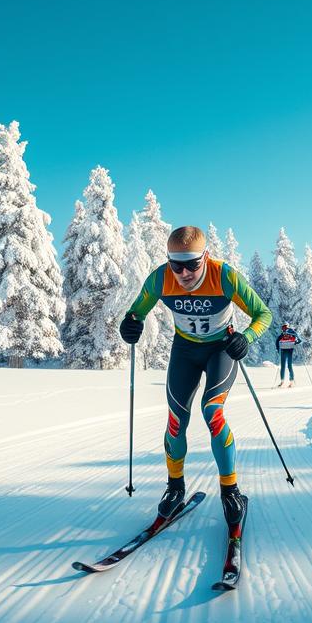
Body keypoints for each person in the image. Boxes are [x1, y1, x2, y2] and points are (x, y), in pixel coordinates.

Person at [118, 225, 273, 529]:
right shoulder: (161, 278)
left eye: (192, 264)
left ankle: (231, 492)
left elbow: (263, 315)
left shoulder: (224, 276)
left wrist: (247, 338)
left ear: (206, 257)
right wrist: (129, 325)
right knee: (176, 419)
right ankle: (175, 489)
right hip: (185, 351)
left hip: (221, 350)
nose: (185, 273)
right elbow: (135, 313)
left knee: (212, 412)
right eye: (177, 265)